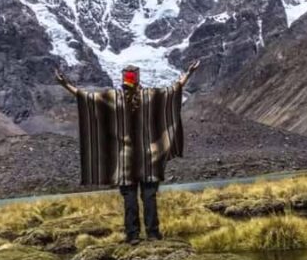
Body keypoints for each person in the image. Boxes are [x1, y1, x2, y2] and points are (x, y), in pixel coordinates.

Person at [55, 61, 200, 245]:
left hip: (125, 160)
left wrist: (65, 84)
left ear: (123, 79)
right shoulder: (149, 96)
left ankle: (133, 236)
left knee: (129, 197)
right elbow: (174, 89)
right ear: (138, 78)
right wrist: (189, 72)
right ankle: (153, 234)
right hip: (149, 157)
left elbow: (87, 98)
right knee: (149, 196)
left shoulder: (114, 98)